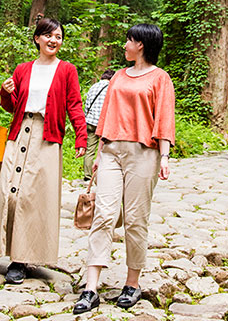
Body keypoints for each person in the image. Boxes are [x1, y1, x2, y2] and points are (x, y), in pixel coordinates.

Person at [73, 23, 175, 314]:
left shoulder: (160, 78)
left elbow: (164, 118)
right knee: (103, 214)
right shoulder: (118, 76)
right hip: (111, 152)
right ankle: (90, 288)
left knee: (135, 218)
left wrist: (164, 157)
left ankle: (132, 282)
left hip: (144, 153)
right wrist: (100, 150)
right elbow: (106, 115)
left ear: (140, 44)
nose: (124, 45)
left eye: (128, 40)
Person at [0, 17, 87, 285]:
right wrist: (6, 94)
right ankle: (8, 250)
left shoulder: (66, 70)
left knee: (33, 197)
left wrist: (81, 138)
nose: (54, 40)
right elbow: (13, 106)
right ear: (37, 39)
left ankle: (21, 260)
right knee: (8, 192)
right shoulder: (22, 69)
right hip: (19, 134)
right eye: (49, 35)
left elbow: (74, 104)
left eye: (59, 36)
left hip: (47, 137)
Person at [82, 68, 115, 181]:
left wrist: (87, 117)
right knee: (104, 150)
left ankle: (87, 176)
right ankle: (100, 175)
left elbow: (87, 104)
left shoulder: (93, 87)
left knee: (90, 150)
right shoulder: (111, 88)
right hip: (104, 124)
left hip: (90, 121)